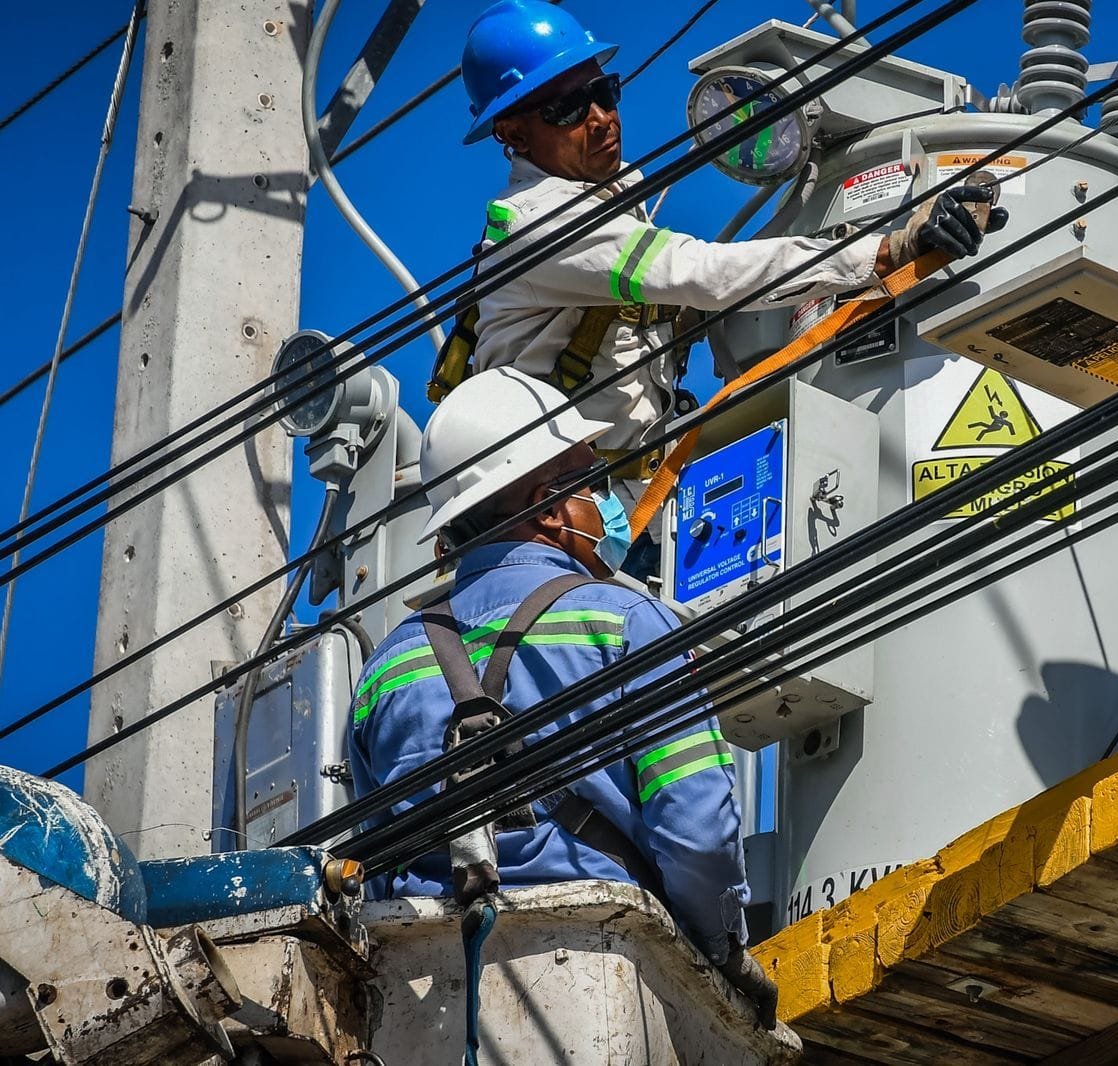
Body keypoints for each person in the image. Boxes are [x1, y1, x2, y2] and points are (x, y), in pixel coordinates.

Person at [435, 0, 1009, 575]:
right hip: (556, 526)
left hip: (623, 517)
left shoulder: (609, 203)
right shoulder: (538, 222)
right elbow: (703, 274)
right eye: (566, 108)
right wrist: (888, 249)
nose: (601, 118)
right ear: (513, 133)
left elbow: (699, 295)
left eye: (604, 92)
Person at [347, 366, 779, 1026]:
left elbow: (372, 863)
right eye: (593, 481)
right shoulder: (624, 622)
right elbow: (697, 826)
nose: (605, 503)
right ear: (550, 508)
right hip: (603, 978)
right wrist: (721, 951)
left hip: (423, 996)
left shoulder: (385, 667)